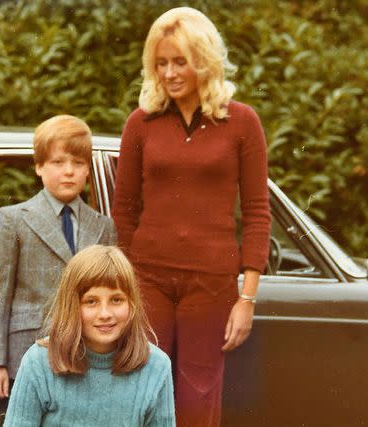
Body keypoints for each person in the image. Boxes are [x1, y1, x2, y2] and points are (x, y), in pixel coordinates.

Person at [112, 7, 271, 427]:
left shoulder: (242, 123)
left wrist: (247, 299)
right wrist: (129, 282)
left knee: (198, 399)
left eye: (179, 61)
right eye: (160, 63)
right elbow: (124, 209)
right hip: (149, 281)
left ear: (204, 59)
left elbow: (256, 212)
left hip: (212, 284)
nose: (169, 73)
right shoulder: (140, 124)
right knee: (141, 393)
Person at [0, 115, 117, 423]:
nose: (68, 171)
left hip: (88, 354)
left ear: (87, 169)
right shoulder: (13, 219)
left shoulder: (103, 227)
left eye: (78, 163)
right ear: (39, 166)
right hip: (26, 352)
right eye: (57, 162)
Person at [3, 245, 176, 427]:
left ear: (131, 304)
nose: (105, 313)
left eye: (116, 300)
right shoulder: (38, 362)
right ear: (72, 306)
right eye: (91, 301)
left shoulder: (157, 366)